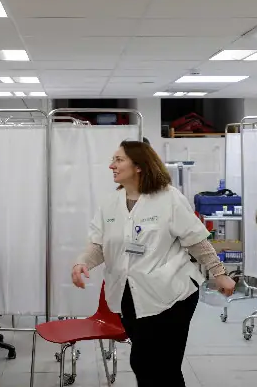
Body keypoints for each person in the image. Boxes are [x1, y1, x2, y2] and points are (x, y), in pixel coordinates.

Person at [71, 140, 236, 387]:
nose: (111, 166)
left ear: (139, 165)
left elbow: (196, 240)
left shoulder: (169, 198)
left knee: (158, 365)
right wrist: (82, 263)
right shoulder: (110, 204)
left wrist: (219, 273)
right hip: (130, 296)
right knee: (146, 363)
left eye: (118, 160)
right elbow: (99, 244)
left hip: (172, 294)